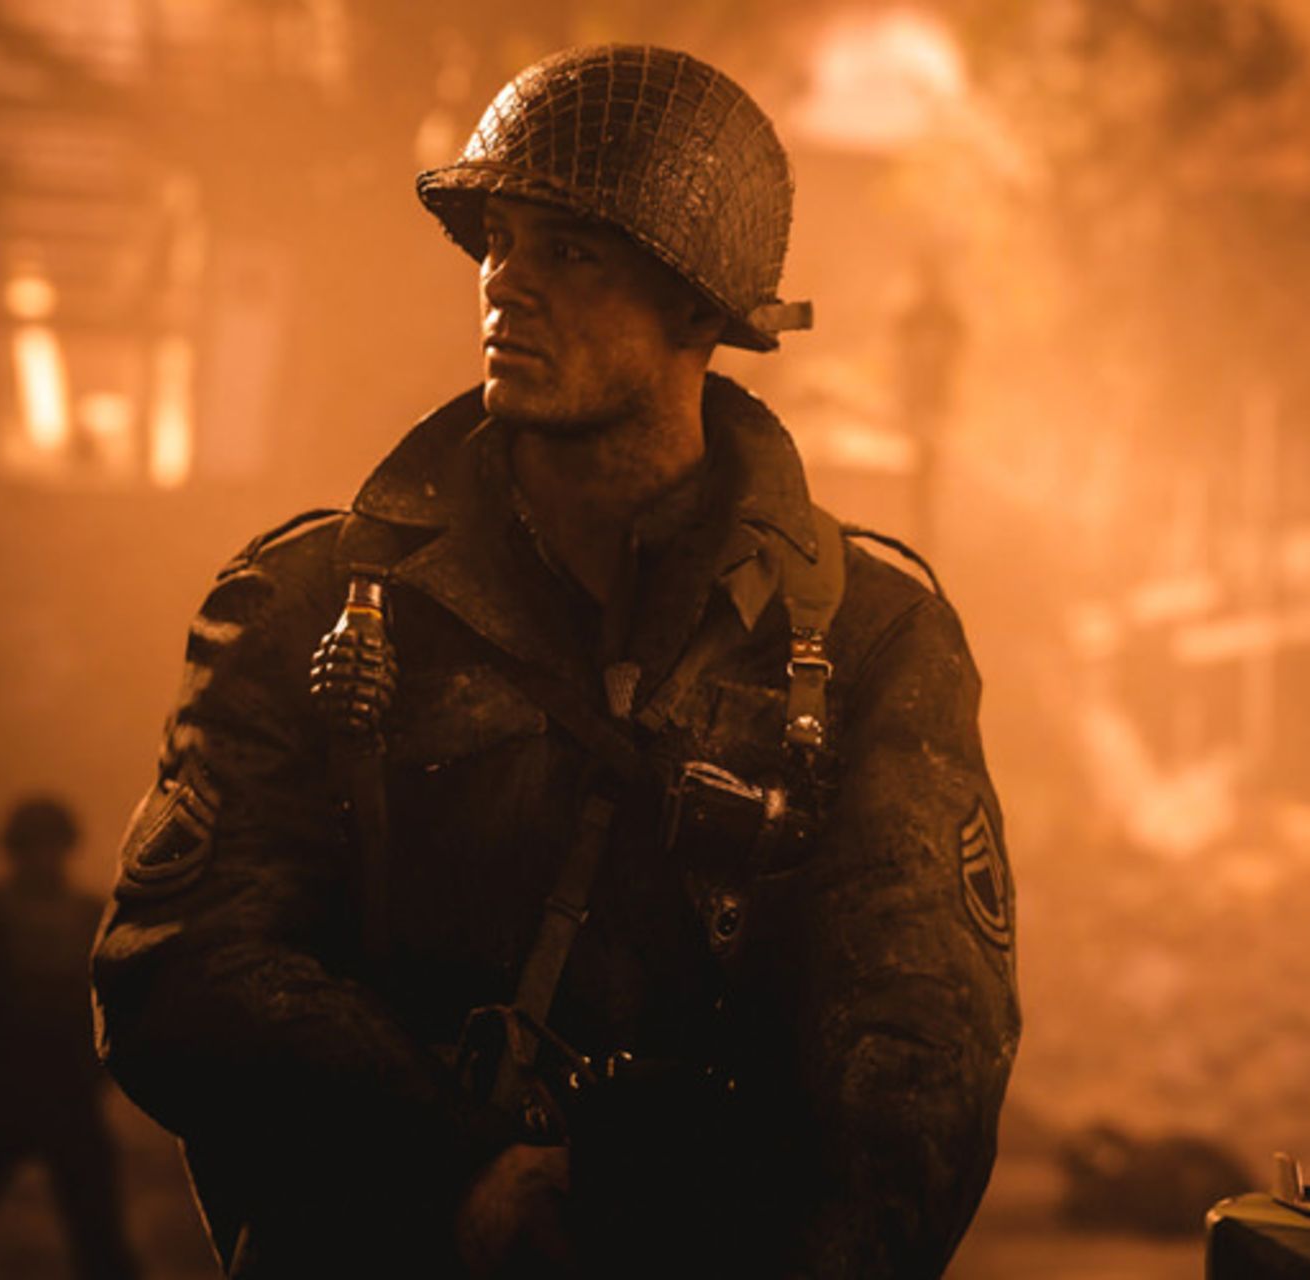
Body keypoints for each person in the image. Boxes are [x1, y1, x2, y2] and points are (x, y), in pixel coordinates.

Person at [90, 44, 1019, 1279]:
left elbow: (918, 1057)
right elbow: (180, 965)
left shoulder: (870, 639)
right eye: (499, 240)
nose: (505, 284)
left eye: (571, 252)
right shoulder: (305, 601)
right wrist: (458, 1176)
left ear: (700, 308)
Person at [0, 797, 138, 1280]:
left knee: (100, 1237)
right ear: (15, 851)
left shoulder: (93, 916)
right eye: (33, 847)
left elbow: (122, 1003)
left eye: (50, 846)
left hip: (67, 1093)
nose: (42, 858)